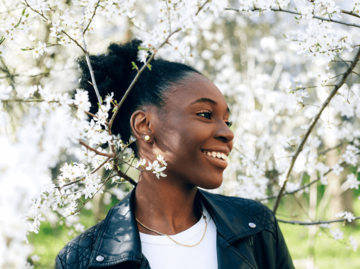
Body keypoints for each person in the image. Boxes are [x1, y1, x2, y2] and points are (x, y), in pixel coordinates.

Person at [55, 39, 294, 269]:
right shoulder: (79, 260)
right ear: (144, 125)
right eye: (205, 114)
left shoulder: (256, 227)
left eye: (227, 122)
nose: (226, 133)